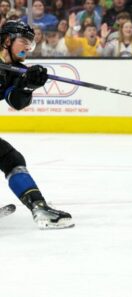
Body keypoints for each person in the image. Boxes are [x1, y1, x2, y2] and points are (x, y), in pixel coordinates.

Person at [0, 20, 74, 229]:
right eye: (23, 41)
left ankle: (39, 207)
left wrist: (27, 85)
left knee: (11, 159)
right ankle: (38, 208)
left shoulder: (16, 71)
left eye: (30, 42)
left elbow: (16, 101)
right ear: (7, 40)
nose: (27, 46)